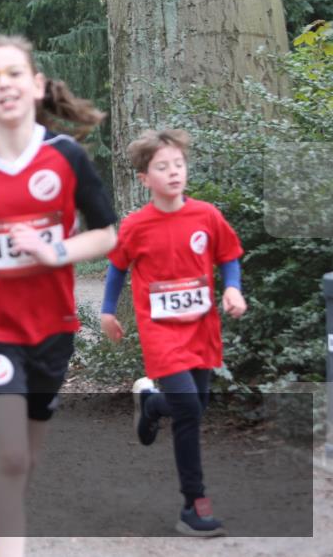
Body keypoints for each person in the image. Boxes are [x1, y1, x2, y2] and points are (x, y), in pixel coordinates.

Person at [0, 34, 117, 557]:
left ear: (36, 85)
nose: (4, 84)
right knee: (11, 456)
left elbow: (108, 234)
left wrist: (53, 249)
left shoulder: (65, 157)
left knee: (28, 459)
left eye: (14, 73)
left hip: (52, 327)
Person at [100, 129, 245, 538]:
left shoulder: (206, 216)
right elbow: (117, 268)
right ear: (144, 178)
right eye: (162, 167)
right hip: (160, 333)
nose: (173, 172)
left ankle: (151, 404)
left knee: (196, 405)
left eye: (178, 164)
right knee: (189, 410)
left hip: (201, 329)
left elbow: (229, 256)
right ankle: (193, 504)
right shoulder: (136, 225)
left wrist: (233, 288)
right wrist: (108, 311)